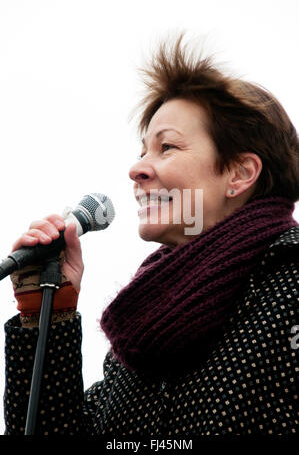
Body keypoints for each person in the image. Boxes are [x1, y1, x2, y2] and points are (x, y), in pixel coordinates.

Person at [4, 34, 299, 436]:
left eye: (168, 147)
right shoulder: (144, 322)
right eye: (143, 150)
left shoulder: (290, 285)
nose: (137, 169)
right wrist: (46, 315)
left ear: (239, 173)